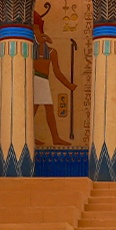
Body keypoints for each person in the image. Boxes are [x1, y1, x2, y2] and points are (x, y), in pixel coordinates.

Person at [32, 12, 76, 145]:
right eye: (34, 32)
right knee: (38, 109)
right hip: (36, 81)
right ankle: (33, 136)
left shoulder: (51, 52)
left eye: (39, 31)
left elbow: (57, 73)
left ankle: (55, 138)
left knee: (47, 109)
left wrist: (69, 85)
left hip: (43, 81)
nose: (37, 35)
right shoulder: (29, 51)